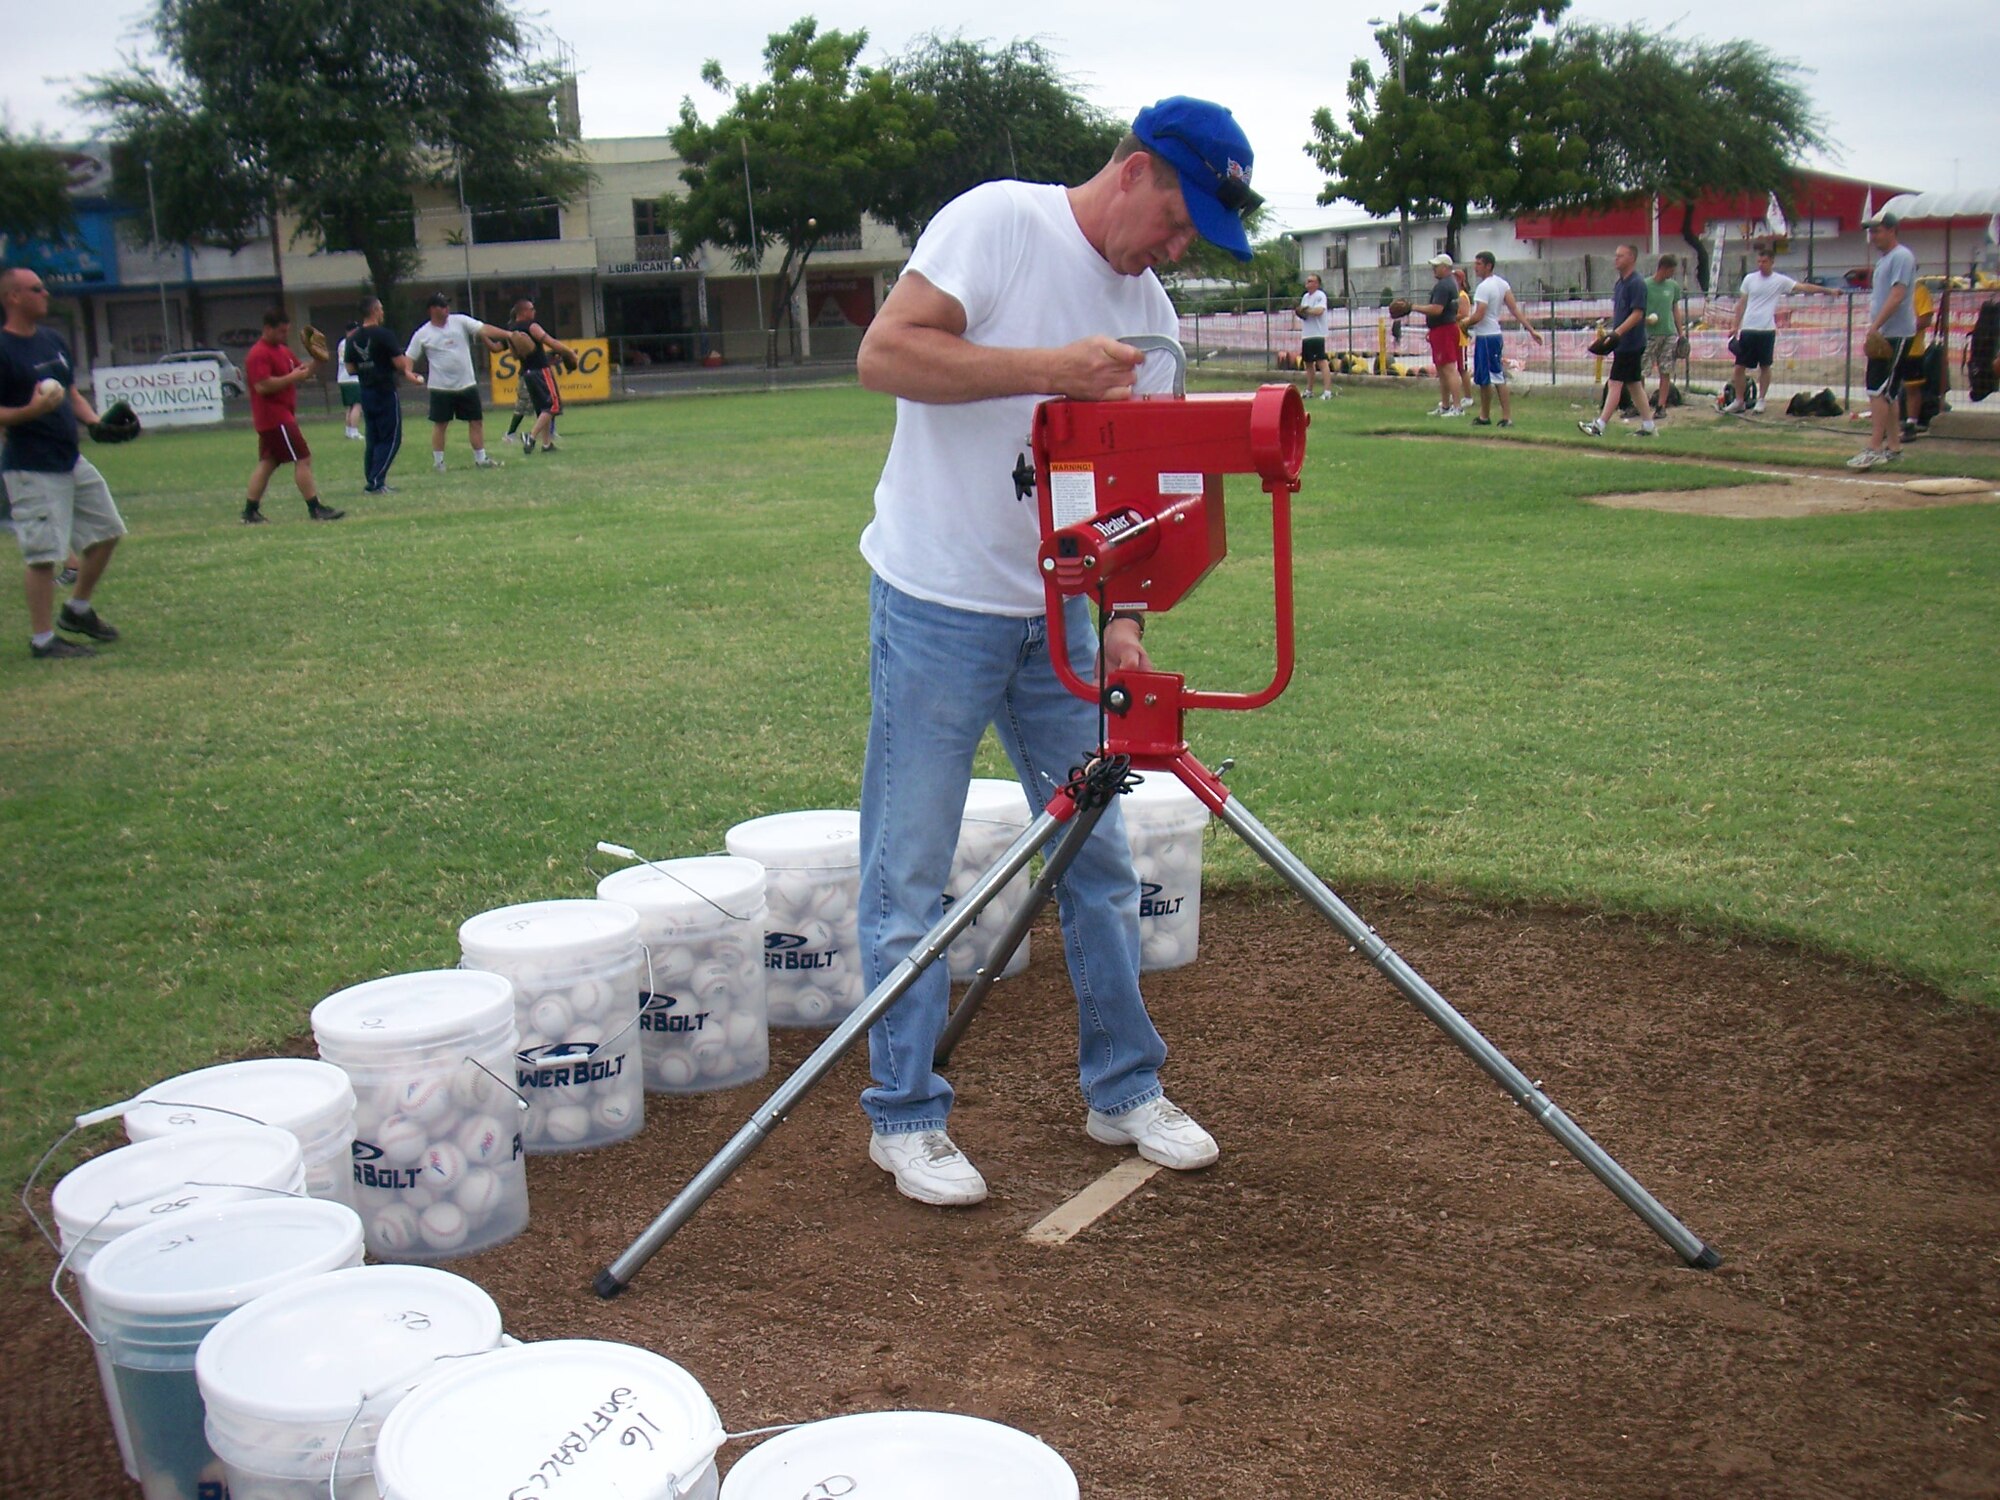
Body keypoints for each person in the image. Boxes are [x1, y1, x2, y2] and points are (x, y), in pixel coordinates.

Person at [849, 95, 1253, 1206]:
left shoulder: (1153, 312)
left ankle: (1121, 1087)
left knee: (1097, 858)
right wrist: (1050, 370)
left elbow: (1147, 498)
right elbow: (885, 355)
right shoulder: (996, 222)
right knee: (910, 871)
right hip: (936, 597)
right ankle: (903, 1116)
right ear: (1134, 170)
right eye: (1177, 222)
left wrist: (1123, 622)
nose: (1177, 251)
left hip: (1061, 613)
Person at [0, 264, 124, 659]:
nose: (45, 294)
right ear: (13, 297)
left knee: (107, 530)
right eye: (36, 289)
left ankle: (77, 609)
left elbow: (71, 394)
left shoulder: (53, 340)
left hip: (69, 458)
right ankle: (42, 640)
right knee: (42, 556)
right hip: (31, 465)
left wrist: (96, 423)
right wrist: (31, 411)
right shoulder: (3, 349)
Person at [241, 308, 343, 524]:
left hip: (279, 416)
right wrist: (290, 377)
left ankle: (250, 511)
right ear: (267, 329)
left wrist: (318, 360)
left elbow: (302, 373)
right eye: (280, 332)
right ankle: (315, 508)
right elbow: (262, 386)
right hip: (275, 418)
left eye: (285, 332)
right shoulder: (259, 353)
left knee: (268, 463)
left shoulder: (283, 350)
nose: (283, 336)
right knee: (303, 458)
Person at [1724, 243, 1839, 414]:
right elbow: (1742, 303)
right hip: (1748, 328)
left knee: (1765, 366)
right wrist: (1735, 325)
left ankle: (1761, 399)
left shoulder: (1779, 280)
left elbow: (1804, 287)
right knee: (1739, 367)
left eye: (1764, 261)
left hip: (1766, 329)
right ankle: (1739, 400)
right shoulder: (1749, 279)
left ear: (1772, 262)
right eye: (1759, 261)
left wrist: (1828, 291)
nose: (1761, 264)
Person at [404, 293, 511, 473]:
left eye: (447, 305)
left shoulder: (460, 321)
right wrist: (409, 373)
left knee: (476, 421)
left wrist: (509, 334)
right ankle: (439, 463)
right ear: (432, 309)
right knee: (441, 424)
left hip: (466, 384)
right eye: (441, 306)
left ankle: (481, 458)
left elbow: (484, 329)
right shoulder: (423, 333)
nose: (446, 309)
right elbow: (409, 357)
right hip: (441, 388)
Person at [1847, 212, 1919, 470]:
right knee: (1888, 393)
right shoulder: (1886, 259)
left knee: (1876, 390)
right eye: (1872, 231)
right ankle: (1894, 447)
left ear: (1891, 230)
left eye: (1877, 230)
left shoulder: (1901, 256)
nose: (1873, 235)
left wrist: (1875, 326)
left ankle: (1874, 447)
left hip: (1894, 332)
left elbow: (1898, 294)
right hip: (1888, 332)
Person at [345, 296, 421, 495]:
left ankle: (372, 479)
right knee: (391, 438)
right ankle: (376, 482)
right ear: (375, 311)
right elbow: (400, 364)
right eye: (381, 309)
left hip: (366, 391)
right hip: (385, 391)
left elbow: (350, 368)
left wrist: (366, 366)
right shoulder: (384, 335)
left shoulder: (352, 338)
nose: (383, 313)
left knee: (373, 438)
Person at [1578, 243, 1653, 437]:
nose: (1616, 259)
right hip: (1623, 342)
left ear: (1632, 259)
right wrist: (1612, 333)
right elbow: (1621, 313)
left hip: (1631, 342)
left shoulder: (1637, 283)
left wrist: (1616, 334)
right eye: (1616, 255)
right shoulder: (1620, 284)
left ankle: (1599, 425)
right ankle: (1648, 426)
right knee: (1634, 385)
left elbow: (1637, 314)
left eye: (1620, 256)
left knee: (1615, 383)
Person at [1461, 251, 1542, 427]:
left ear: (1488, 265)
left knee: (1497, 377)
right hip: (1489, 335)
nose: (1475, 267)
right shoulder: (1502, 284)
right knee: (1483, 379)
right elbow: (1514, 309)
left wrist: (1464, 323)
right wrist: (1531, 330)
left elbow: (1479, 315)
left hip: (1488, 336)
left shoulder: (1484, 287)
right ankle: (1484, 416)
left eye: (1479, 264)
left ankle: (1506, 417)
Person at [504, 298, 576, 457]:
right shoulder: (532, 326)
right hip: (540, 371)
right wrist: (568, 352)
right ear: (523, 311)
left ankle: (546, 444)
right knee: (553, 405)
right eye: (531, 309)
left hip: (527, 372)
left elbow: (516, 356)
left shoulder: (511, 330)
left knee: (542, 409)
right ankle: (530, 436)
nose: (534, 311)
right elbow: (550, 341)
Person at [1416, 252, 1467, 416]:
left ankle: (1457, 406)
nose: (1434, 269)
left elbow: (1437, 309)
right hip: (1442, 329)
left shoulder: (1444, 285)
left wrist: (1413, 307)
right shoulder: (1449, 283)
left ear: (1445, 268)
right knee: (1442, 368)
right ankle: (1445, 405)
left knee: (1449, 368)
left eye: (1436, 266)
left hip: (1444, 329)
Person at [1642, 253, 1686, 421]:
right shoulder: (1645, 285)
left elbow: (1675, 309)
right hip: (1650, 333)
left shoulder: (1673, 286)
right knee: (1642, 370)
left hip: (1668, 333)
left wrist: (1680, 333)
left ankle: (1661, 406)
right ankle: (1642, 404)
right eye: (1671, 270)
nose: (1672, 274)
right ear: (1664, 268)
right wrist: (1645, 320)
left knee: (1665, 370)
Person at [1900, 277, 1935, 441]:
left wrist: (1902, 327)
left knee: (1912, 388)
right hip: (1890, 349)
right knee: (1886, 389)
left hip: (1912, 349)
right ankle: (1889, 424)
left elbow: (1925, 319)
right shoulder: (1890, 289)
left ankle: (1911, 424)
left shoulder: (1919, 290)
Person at [1296, 273, 1333, 400]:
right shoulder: (1305, 297)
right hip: (1307, 334)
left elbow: (1319, 311)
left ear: (1317, 284)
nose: (1308, 283)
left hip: (1317, 333)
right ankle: (1309, 390)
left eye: (1311, 281)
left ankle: (1327, 391)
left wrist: (1306, 310)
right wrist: (1300, 312)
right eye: (1307, 281)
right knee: (1308, 363)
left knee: (1321, 362)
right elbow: (1304, 314)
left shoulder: (1320, 295)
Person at [334, 322, 363, 439]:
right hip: (352, 379)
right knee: (357, 405)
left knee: (350, 407)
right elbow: (347, 361)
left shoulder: (342, 343)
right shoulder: (350, 343)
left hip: (343, 378)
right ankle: (354, 432)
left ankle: (348, 430)